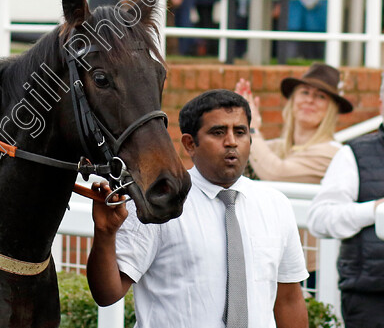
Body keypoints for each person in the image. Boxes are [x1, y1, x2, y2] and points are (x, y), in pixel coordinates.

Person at [87, 89, 308, 328]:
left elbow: (288, 299)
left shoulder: (275, 204)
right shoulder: (160, 202)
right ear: (189, 144)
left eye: (240, 132)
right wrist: (105, 234)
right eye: (218, 132)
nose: (231, 141)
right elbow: (107, 294)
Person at [307, 73, 384, 328]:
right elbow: (320, 219)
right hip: (371, 298)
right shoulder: (354, 153)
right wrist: (374, 210)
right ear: (382, 104)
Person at [235, 62, 352, 183]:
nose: (309, 100)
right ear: (293, 100)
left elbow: (277, 174)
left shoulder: (331, 153)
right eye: (305, 92)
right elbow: (236, 154)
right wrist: (239, 126)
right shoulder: (281, 147)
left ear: (331, 110)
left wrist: (252, 129)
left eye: (321, 96)